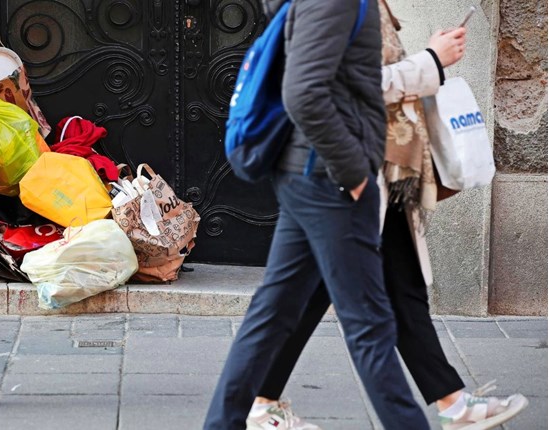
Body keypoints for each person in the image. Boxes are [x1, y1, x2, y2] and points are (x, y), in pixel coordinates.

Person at [245, 2, 529, 430]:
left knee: (395, 284)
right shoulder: (334, 5)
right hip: (354, 173)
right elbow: (344, 88)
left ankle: (452, 402)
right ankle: (256, 401)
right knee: (341, 307)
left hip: (386, 167)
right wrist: (430, 61)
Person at [203, 0, 430, 429]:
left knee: (271, 315)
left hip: (312, 176)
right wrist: (353, 173)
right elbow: (304, 92)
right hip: (329, 182)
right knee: (369, 327)